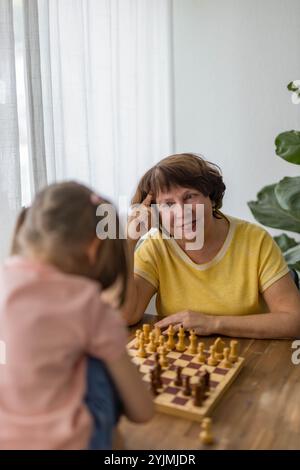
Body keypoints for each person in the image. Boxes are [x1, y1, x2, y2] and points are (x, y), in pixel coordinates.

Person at [0, 182, 153, 450]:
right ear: (94, 248)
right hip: (73, 443)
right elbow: (143, 412)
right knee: (96, 359)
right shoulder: (88, 305)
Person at [123, 153, 300, 339]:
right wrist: (129, 241)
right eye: (167, 204)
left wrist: (213, 323)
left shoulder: (255, 240)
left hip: (252, 357)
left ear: (212, 198)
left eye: (189, 196)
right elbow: (127, 315)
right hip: (186, 358)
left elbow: (294, 321)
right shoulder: (156, 247)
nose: (182, 212)